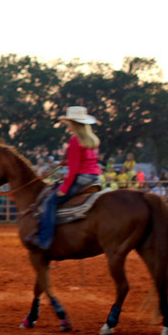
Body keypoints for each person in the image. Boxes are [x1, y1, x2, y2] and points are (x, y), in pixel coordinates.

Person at [31, 106, 102, 250]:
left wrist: (64, 188)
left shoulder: (75, 140)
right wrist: (67, 161)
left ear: (73, 123)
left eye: (68, 122)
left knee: (49, 202)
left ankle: (44, 240)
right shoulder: (92, 139)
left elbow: (74, 170)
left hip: (81, 177)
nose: (67, 125)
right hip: (94, 177)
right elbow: (86, 161)